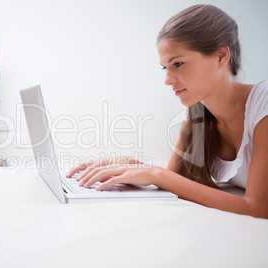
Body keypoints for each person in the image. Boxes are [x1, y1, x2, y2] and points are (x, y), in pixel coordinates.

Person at [67, 5, 268, 218]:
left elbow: (258, 208)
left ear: (220, 56)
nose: (167, 80)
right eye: (165, 67)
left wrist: (156, 173)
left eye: (178, 64)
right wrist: (134, 167)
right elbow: (173, 179)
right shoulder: (197, 113)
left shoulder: (263, 101)